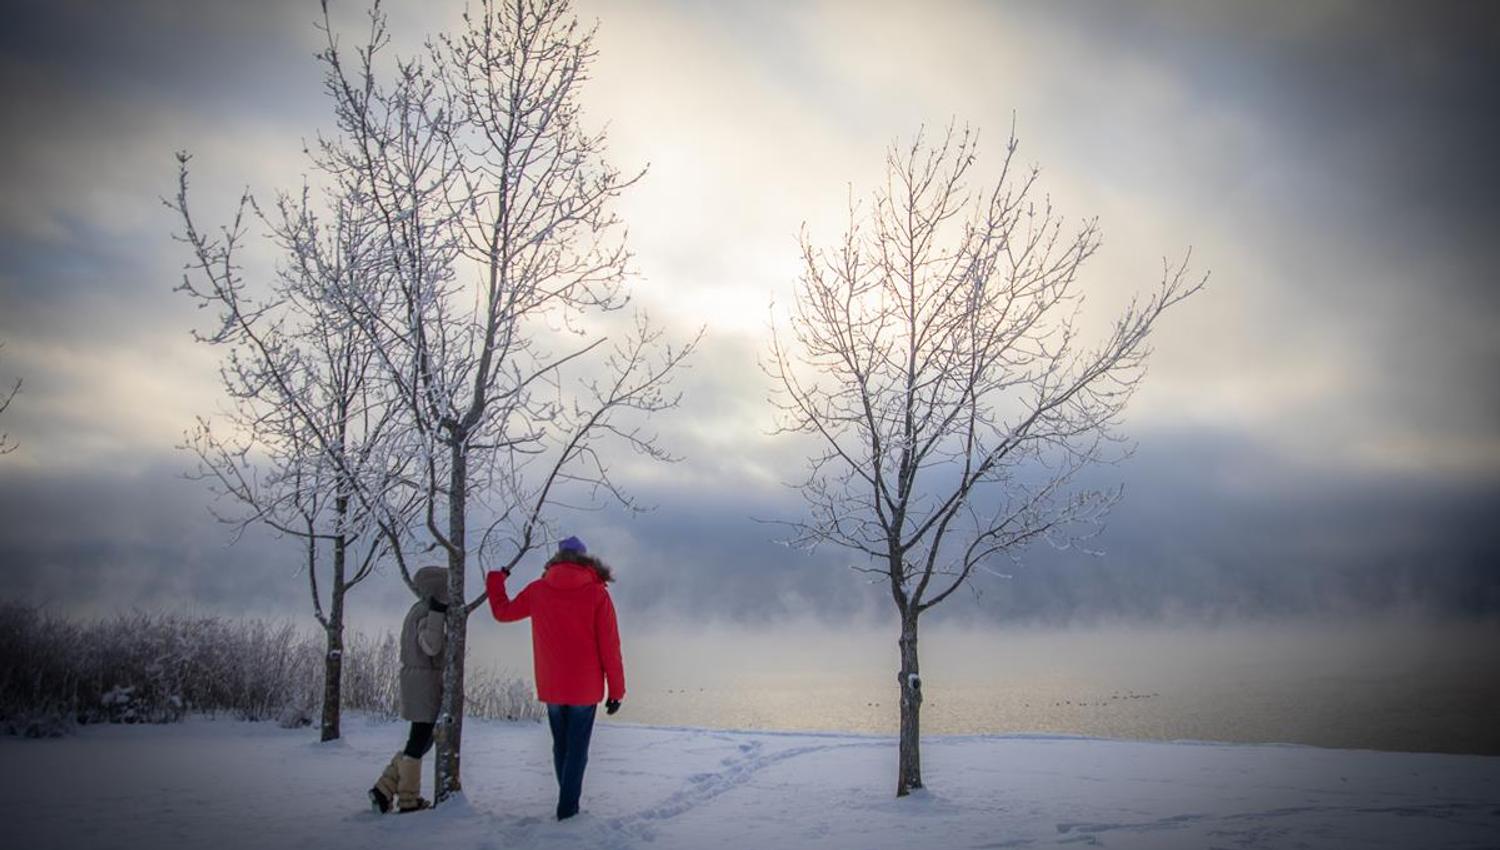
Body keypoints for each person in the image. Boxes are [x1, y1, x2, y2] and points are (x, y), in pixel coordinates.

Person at [486, 536, 625, 820]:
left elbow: (503, 612)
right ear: (586, 560)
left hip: (552, 685)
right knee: (577, 750)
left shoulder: (539, 590)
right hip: (585, 689)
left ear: (558, 559)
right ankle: (568, 809)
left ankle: (567, 802)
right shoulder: (597, 593)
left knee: (561, 746)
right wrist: (617, 691)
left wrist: (495, 580)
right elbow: (610, 646)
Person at [369, 565, 449, 814]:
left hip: (418, 681)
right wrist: (438, 615)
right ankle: (407, 799)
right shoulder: (428, 611)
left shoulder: (417, 609)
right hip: (424, 683)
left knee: (420, 741)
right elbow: (432, 646)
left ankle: (384, 789)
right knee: (419, 741)